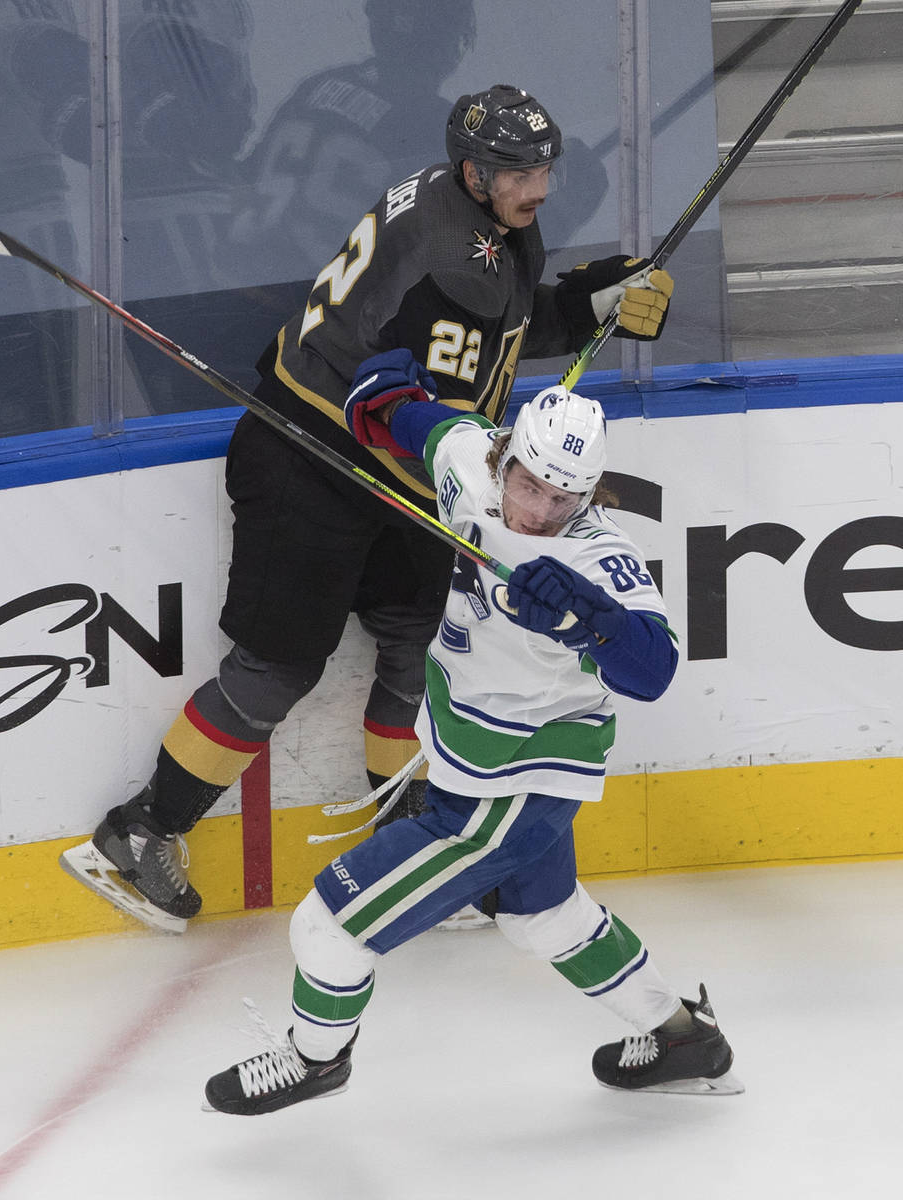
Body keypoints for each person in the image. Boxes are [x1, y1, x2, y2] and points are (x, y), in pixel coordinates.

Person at [59, 83, 675, 933]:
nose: (537, 184)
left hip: (395, 478)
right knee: (279, 664)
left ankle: (416, 844)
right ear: (473, 171)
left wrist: (585, 301)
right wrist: (578, 311)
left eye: (543, 165)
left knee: (419, 649)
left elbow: (487, 336)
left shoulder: (472, 219)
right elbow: (461, 384)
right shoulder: (452, 252)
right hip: (308, 461)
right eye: (517, 169)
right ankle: (140, 832)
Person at [202, 378, 742, 1114]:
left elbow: (655, 668)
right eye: (530, 484)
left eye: (565, 498)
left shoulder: (595, 559)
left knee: (327, 927)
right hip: (474, 763)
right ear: (505, 456)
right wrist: (387, 401)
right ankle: (682, 1038)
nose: (541, 511)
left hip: (514, 786)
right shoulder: (468, 465)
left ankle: (314, 1059)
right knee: (542, 917)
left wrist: (594, 622)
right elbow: (431, 427)